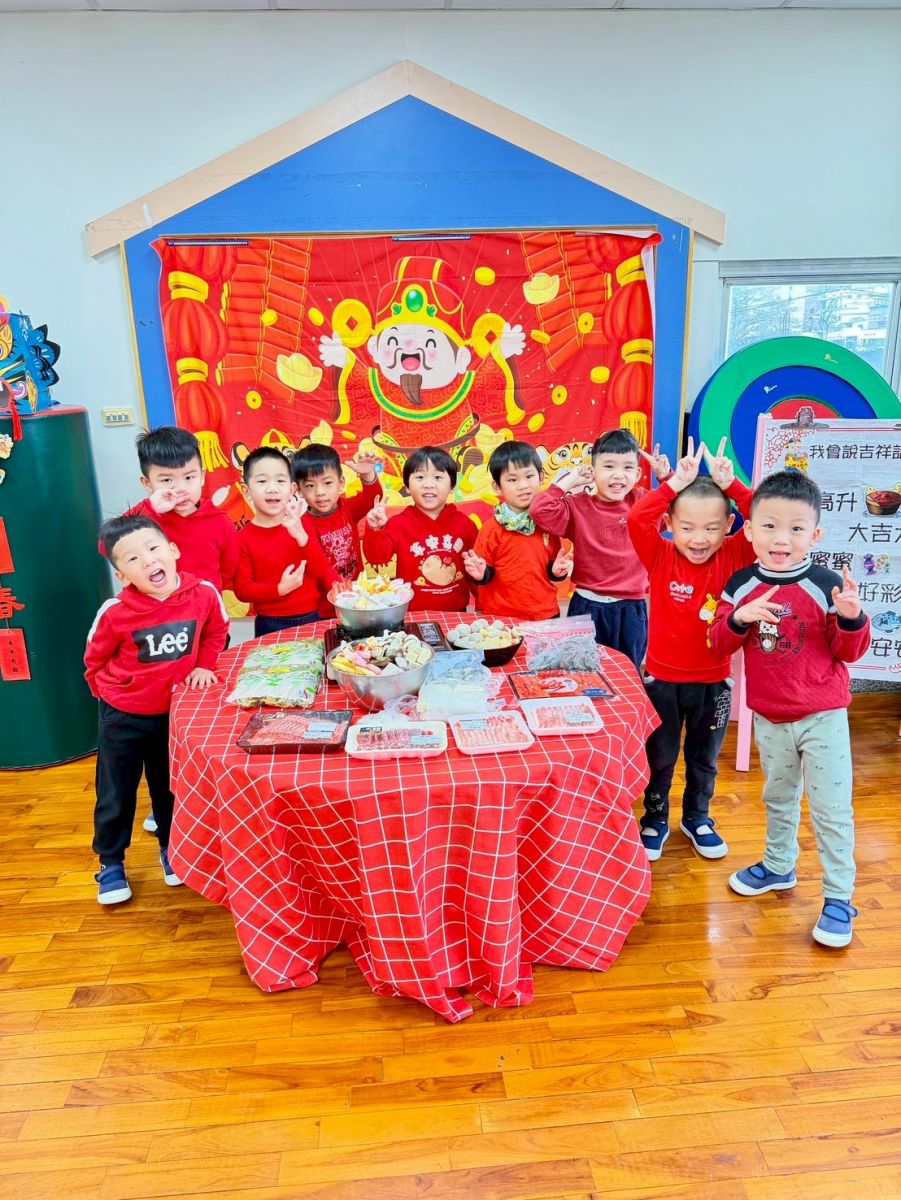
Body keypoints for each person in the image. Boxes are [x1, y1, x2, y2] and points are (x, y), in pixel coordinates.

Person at [710, 470, 870, 948]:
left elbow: (848, 652)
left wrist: (851, 618)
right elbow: (718, 642)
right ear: (749, 530)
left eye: (796, 528)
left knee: (831, 810)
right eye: (770, 526)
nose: (782, 539)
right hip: (770, 717)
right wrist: (738, 619)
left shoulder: (826, 585)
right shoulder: (740, 585)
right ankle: (779, 866)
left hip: (824, 718)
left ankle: (839, 897)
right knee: (777, 797)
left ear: (815, 535)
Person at [85, 514, 229, 905]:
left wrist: (204, 665)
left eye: (153, 548)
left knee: (170, 788)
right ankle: (110, 862)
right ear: (122, 575)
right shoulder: (114, 612)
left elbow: (217, 630)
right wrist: (112, 697)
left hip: (175, 715)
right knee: (116, 793)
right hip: (123, 718)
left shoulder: (203, 593)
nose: (147, 560)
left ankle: (171, 849)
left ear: (173, 550)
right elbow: (94, 661)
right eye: (132, 558)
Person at [627, 437, 755, 862]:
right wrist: (672, 484)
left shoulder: (735, 553)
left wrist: (731, 484)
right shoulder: (659, 553)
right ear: (669, 523)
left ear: (730, 525)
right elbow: (636, 518)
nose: (699, 539)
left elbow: (761, 516)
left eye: (712, 528)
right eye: (687, 527)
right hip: (661, 679)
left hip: (714, 682)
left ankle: (697, 817)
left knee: (704, 757)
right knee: (660, 756)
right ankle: (655, 817)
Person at [530, 428, 670, 669]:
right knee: (581, 671)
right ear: (593, 471)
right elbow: (539, 510)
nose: (618, 475)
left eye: (627, 467)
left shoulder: (644, 503)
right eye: (609, 466)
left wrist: (666, 478)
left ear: (637, 473)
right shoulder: (577, 506)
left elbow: (684, 510)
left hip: (631, 608)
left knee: (627, 671)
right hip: (587, 605)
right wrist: (571, 480)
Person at [233, 447, 339, 638]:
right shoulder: (243, 538)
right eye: (262, 481)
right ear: (247, 491)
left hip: (311, 617)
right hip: (269, 622)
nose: (272, 488)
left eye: (280, 481)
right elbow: (242, 590)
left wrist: (303, 538)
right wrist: (280, 589)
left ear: (291, 490)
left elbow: (320, 570)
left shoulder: (303, 524)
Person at [462, 441, 572, 620]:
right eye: (512, 480)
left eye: (529, 476)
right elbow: (484, 574)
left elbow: (550, 569)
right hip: (501, 617)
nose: (523, 485)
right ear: (497, 486)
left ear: (541, 476)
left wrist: (557, 571)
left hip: (544, 613)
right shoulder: (492, 527)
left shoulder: (547, 523)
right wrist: (480, 574)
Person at [362, 445, 477, 612]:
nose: (429, 484)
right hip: (411, 614)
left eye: (438, 477)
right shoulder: (398, 524)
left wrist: (483, 606)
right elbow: (376, 559)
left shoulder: (465, 525)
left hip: (456, 613)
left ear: (452, 485)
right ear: (407, 486)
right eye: (420, 477)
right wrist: (375, 530)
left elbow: (476, 570)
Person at [125, 426, 239, 593]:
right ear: (147, 483)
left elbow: (228, 569)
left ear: (202, 476)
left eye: (189, 477)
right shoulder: (144, 518)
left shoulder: (220, 521)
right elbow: (107, 546)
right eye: (166, 480)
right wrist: (150, 508)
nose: (180, 489)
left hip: (206, 605)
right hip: (158, 606)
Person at [291, 444, 383, 616]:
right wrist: (343, 593)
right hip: (326, 606)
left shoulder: (347, 508)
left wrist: (367, 476)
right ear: (299, 490)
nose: (320, 492)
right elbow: (321, 566)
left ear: (341, 483)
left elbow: (372, 498)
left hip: (358, 599)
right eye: (310, 486)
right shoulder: (303, 525)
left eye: (327, 483)